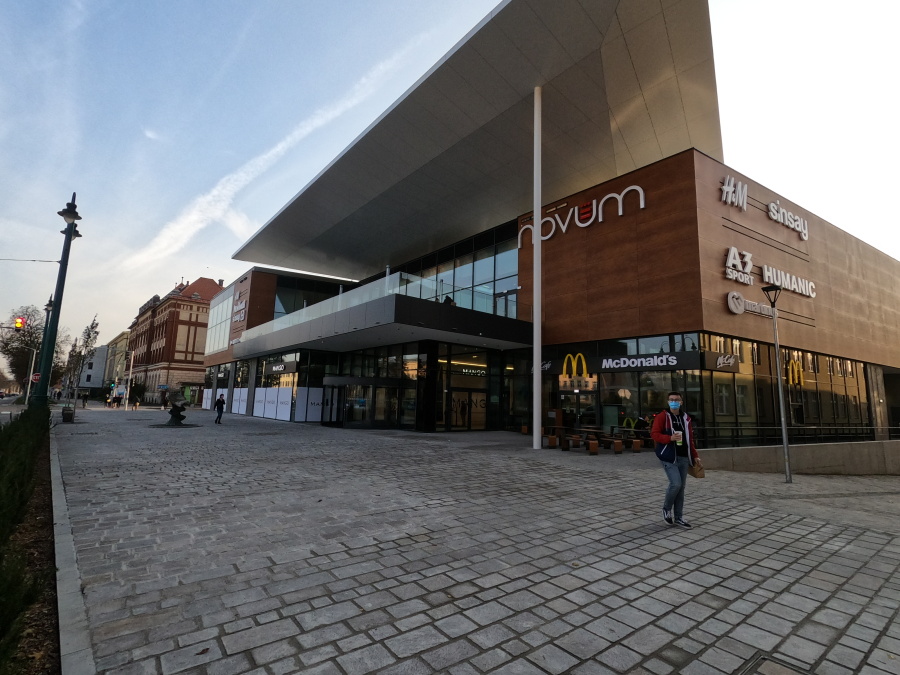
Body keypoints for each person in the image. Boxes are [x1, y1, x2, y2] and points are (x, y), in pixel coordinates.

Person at [651, 392, 700, 529]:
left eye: (677, 400)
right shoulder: (662, 417)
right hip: (668, 456)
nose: (674, 402)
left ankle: (679, 517)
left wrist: (695, 455)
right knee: (676, 484)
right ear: (668, 402)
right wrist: (669, 438)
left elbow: (690, 439)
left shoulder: (686, 418)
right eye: (671, 400)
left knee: (681, 488)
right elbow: (654, 434)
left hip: (683, 456)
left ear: (681, 402)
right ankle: (666, 509)